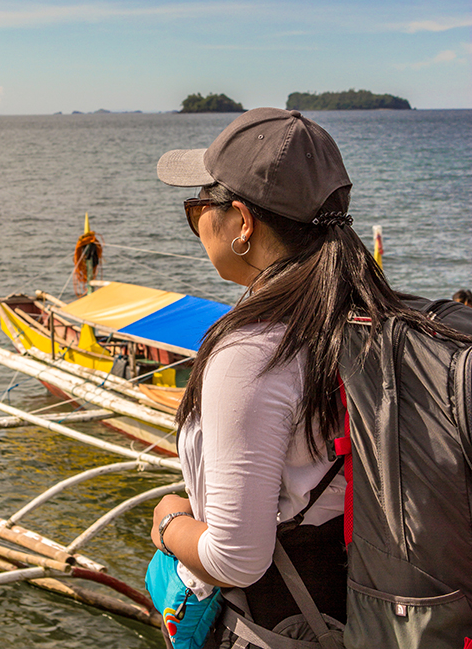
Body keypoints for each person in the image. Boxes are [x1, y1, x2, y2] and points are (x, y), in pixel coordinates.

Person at [149, 107, 460, 648]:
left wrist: (169, 521)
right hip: (360, 610)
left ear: (242, 222)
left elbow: (236, 558)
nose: (197, 218)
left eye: (198, 203)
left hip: (278, 630)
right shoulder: (370, 315)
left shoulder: (251, 350)